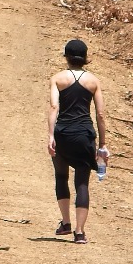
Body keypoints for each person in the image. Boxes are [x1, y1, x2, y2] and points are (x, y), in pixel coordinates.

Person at [45, 38, 108, 244]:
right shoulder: (93, 81)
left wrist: (51, 135)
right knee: (82, 183)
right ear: (85, 58)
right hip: (84, 135)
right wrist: (102, 145)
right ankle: (80, 232)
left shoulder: (57, 79)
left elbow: (54, 107)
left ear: (66, 56)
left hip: (63, 133)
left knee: (61, 176)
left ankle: (65, 222)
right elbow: (100, 114)